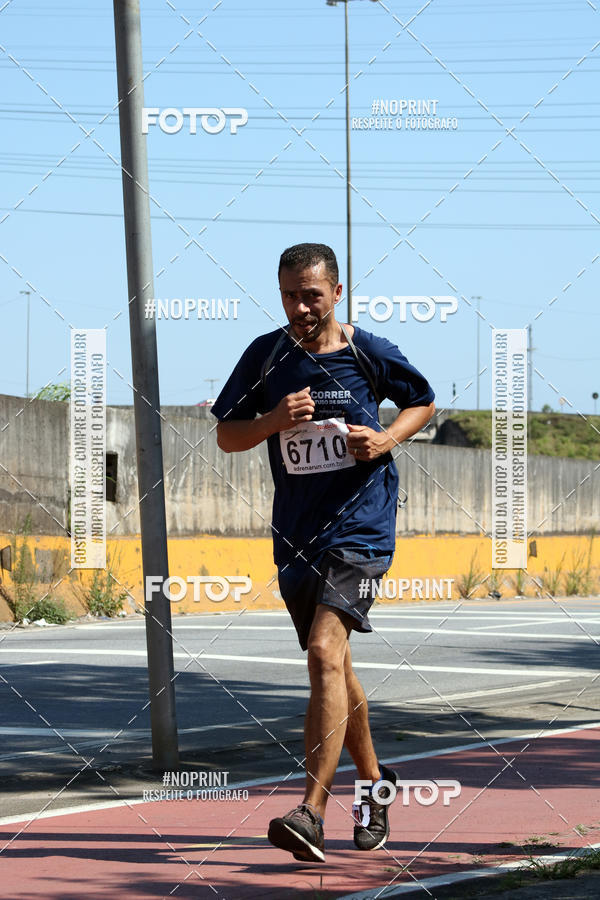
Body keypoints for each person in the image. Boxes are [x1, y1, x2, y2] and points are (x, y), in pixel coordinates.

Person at [211, 243, 435, 862]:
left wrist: (384, 437)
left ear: (337, 292)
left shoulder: (369, 352)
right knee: (334, 667)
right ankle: (374, 783)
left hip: (361, 531)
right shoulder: (267, 355)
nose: (300, 306)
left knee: (321, 652)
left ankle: (311, 812)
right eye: (288, 294)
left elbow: (423, 400)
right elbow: (228, 433)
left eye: (310, 294)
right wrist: (272, 419)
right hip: (296, 536)